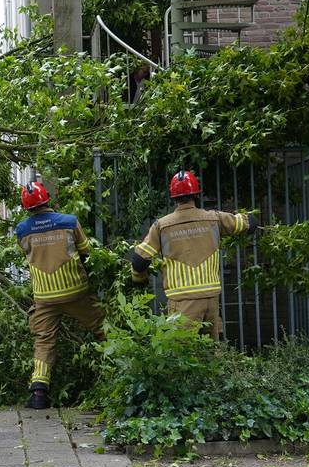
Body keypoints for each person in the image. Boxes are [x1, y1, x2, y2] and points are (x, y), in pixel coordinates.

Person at [129, 170, 258, 338]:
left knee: (182, 350)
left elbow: (139, 260)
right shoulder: (214, 219)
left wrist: (139, 280)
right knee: (210, 350)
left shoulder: (162, 226)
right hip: (211, 300)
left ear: (173, 197)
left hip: (183, 302)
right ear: (196, 194)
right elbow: (249, 223)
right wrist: (246, 218)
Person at [15, 180, 104, 410]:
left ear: (26, 207)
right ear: (47, 199)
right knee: (102, 328)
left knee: (44, 341)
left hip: (45, 296)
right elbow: (87, 253)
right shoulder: (69, 222)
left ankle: (38, 393)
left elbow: (28, 257)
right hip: (75, 291)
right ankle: (124, 368)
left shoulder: (22, 230)